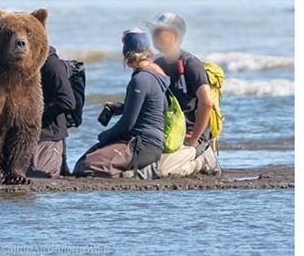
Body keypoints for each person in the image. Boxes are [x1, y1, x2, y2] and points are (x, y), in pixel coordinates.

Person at [73, 29, 169, 178]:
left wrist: (104, 136)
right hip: (152, 143)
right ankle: (134, 168)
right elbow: (158, 107)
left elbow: (127, 124)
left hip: (142, 144)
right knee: (83, 161)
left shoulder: (141, 79)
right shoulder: (155, 75)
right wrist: (121, 108)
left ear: (128, 54)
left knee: (86, 167)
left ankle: (138, 172)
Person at [147, 12, 220, 177]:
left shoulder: (191, 64)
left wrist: (194, 139)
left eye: (160, 31)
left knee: (164, 171)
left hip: (190, 135)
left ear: (175, 35)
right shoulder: (158, 64)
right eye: (154, 31)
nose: (155, 35)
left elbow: (206, 103)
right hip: (168, 133)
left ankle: (204, 159)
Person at [27, 45, 77, 178]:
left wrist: (36, 114)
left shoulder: (50, 62)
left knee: (40, 175)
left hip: (49, 134)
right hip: (29, 134)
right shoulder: (20, 61)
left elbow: (68, 101)